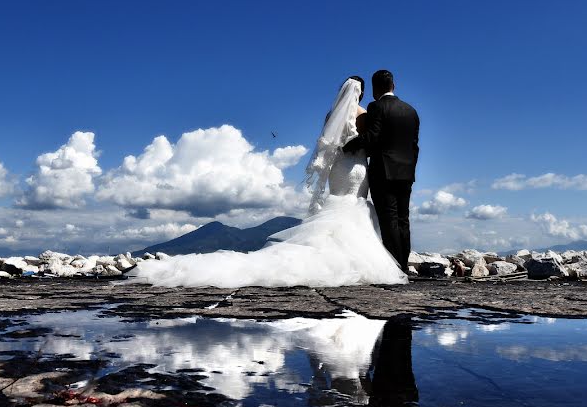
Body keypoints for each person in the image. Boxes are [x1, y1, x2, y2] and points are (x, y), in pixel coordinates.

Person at [131, 76, 407, 287]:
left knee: (341, 206)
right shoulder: (365, 115)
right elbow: (370, 142)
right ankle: (354, 262)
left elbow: (328, 143)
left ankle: (340, 259)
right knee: (355, 206)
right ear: (359, 91)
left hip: (339, 168)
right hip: (357, 167)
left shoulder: (331, 115)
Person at [343, 70, 419, 268]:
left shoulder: (376, 107)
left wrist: (350, 146)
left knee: (389, 219)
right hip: (407, 173)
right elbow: (414, 145)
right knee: (403, 219)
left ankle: (394, 265)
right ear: (393, 85)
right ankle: (404, 264)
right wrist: (411, 168)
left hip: (384, 172)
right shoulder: (411, 110)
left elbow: (373, 136)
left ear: (375, 88)